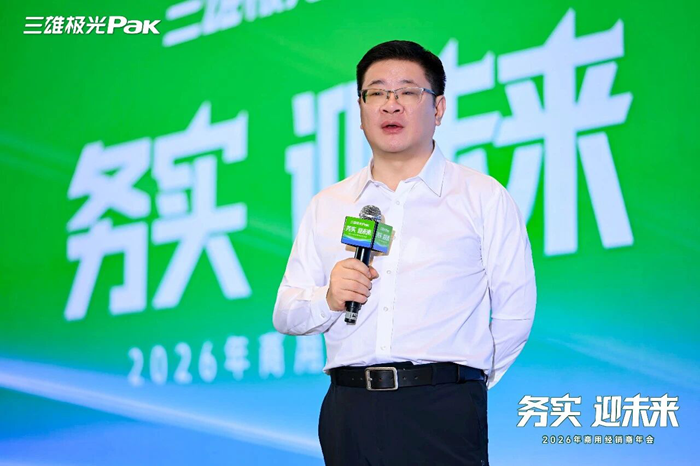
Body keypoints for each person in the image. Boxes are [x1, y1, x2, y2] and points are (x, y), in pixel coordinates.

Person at [273, 40, 536, 466]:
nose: (390, 105)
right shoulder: (328, 204)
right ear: (360, 109)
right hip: (348, 408)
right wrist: (328, 298)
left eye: (408, 92)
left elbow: (515, 313)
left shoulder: (481, 196)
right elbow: (285, 312)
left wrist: (462, 384)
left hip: (443, 408)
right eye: (376, 92)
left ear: (438, 109)